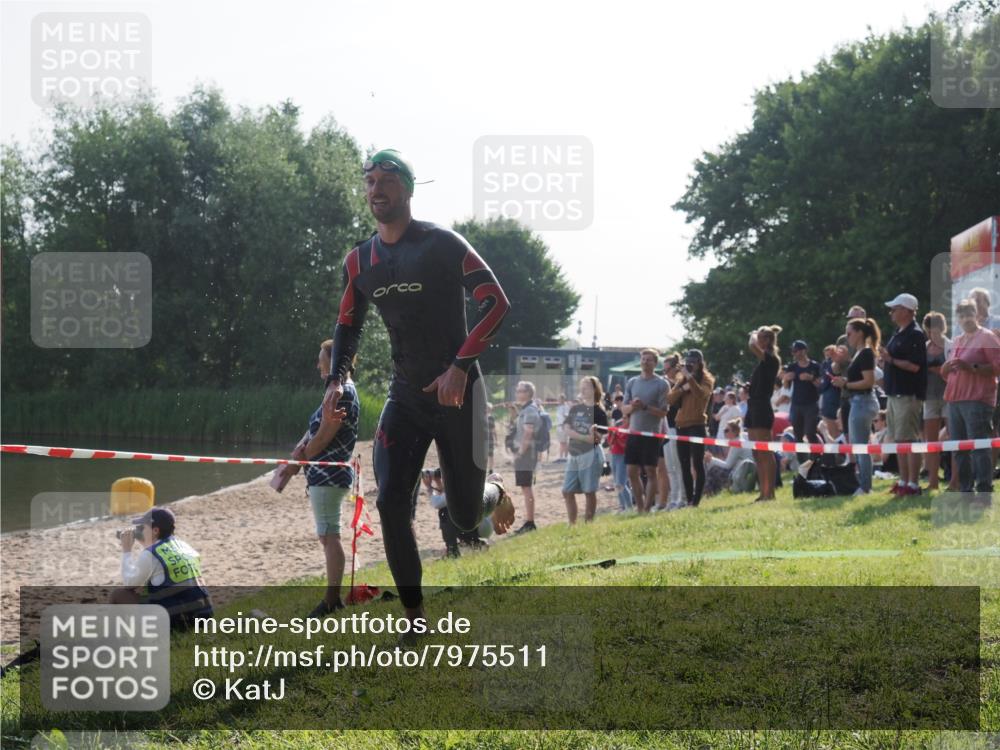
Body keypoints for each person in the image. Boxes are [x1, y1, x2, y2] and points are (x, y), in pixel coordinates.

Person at [324, 149, 510, 626]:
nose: (376, 189)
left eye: (386, 180)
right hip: (405, 396)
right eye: (369, 181)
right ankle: (414, 618)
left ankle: (494, 489)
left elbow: (495, 302)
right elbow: (347, 326)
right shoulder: (359, 260)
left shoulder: (441, 244)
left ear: (407, 189)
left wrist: (459, 366)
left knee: (465, 518)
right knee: (390, 502)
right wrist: (336, 380)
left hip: (459, 393)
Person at [300, 340, 359, 618]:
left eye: (321, 359)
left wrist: (305, 455)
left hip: (328, 475)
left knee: (329, 536)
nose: (317, 365)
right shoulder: (339, 389)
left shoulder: (342, 391)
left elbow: (325, 435)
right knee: (328, 534)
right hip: (328, 475)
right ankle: (333, 598)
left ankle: (332, 600)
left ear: (334, 361)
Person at [112, 507, 213, 629]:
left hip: (177, 623)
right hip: (203, 618)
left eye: (142, 528)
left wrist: (127, 550)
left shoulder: (151, 554)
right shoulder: (185, 546)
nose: (140, 531)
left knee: (119, 594)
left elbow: (129, 583)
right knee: (146, 588)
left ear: (155, 530)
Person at [941, 299, 1000, 501]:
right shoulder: (958, 340)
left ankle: (984, 493)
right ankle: (965, 491)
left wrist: (972, 367)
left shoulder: (987, 337)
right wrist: (945, 369)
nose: (966, 319)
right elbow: (951, 372)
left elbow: (997, 367)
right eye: (962, 315)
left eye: (969, 314)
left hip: (977, 400)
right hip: (954, 399)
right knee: (959, 449)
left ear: (977, 315)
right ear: (957, 319)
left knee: (979, 448)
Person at [880, 293, 928, 496]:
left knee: (908, 440)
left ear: (907, 311)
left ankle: (913, 484)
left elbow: (915, 366)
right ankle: (903, 481)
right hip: (895, 394)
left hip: (908, 394)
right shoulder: (898, 332)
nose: (891, 312)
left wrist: (890, 360)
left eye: (895, 309)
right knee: (899, 440)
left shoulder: (915, 334)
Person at [831, 318, 881, 496]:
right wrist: (844, 381)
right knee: (858, 446)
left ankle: (865, 487)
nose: (847, 337)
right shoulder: (860, 353)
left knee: (860, 447)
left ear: (860, 333)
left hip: (863, 402)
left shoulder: (866, 353)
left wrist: (845, 384)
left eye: (849, 333)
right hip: (859, 402)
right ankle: (864, 484)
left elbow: (869, 381)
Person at [623, 349, 671, 513]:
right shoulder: (632, 382)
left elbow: (663, 412)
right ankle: (640, 507)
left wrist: (645, 407)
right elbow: (624, 409)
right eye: (643, 359)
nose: (645, 362)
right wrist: (633, 406)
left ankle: (647, 508)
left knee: (651, 471)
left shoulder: (662, 384)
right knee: (631, 472)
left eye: (649, 360)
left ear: (655, 363)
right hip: (634, 433)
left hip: (652, 434)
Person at [667, 350, 715, 507]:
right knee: (684, 464)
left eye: (693, 362)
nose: (689, 365)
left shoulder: (707, 379)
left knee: (697, 464)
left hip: (697, 425)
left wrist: (690, 378)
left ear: (700, 364)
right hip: (681, 425)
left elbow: (701, 394)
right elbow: (670, 399)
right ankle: (689, 500)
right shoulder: (681, 379)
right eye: (687, 362)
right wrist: (683, 388)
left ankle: (696, 501)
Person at [562, 376, 609, 523]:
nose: (582, 389)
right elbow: (566, 429)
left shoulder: (599, 412)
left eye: (586, 387)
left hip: (590, 454)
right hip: (573, 453)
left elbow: (597, 439)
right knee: (567, 491)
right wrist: (584, 436)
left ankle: (588, 523)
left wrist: (588, 436)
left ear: (594, 390)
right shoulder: (576, 408)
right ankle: (572, 524)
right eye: (581, 386)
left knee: (589, 491)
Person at [746, 326, 783, 502]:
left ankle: (770, 493)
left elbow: (752, 345)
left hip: (762, 407)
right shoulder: (762, 361)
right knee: (756, 453)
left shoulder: (771, 358)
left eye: (761, 338)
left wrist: (753, 334)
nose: (757, 340)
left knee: (765, 452)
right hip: (753, 405)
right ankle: (763, 492)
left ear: (767, 340)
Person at [923, 312, 951, 491]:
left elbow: (954, 371)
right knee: (931, 443)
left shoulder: (951, 346)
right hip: (929, 398)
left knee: (954, 439)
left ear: (941, 328)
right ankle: (933, 482)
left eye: (933, 329)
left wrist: (938, 370)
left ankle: (955, 481)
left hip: (949, 396)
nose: (931, 333)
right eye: (928, 330)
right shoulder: (924, 348)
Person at [509, 381, 540, 535]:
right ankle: (529, 521)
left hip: (527, 454)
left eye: (519, 391)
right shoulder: (526, 409)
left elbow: (528, 433)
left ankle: (530, 522)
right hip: (526, 453)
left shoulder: (530, 410)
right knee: (525, 487)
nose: (517, 393)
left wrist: (520, 453)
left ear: (527, 393)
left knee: (526, 487)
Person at [783, 340, 822, 463]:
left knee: (810, 433)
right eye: (793, 351)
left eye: (796, 351)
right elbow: (786, 386)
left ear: (804, 351)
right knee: (798, 435)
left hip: (811, 404)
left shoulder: (815, 366)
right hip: (796, 404)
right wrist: (786, 379)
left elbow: (820, 385)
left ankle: (816, 460)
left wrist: (811, 378)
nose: (794, 354)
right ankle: (802, 463)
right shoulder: (792, 367)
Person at [704, 418, 756, 496]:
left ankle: (708, 494)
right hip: (742, 474)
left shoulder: (736, 444)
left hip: (738, 475)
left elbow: (727, 465)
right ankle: (712, 493)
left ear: (734, 432)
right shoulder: (740, 441)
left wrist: (711, 459)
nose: (724, 432)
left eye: (727, 430)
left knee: (713, 470)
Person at [608, 412, 633, 512]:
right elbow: (610, 443)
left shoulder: (631, 430)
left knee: (621, 483)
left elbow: (626, 447)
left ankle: (629, 508)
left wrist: (616, 438)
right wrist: (611, 434)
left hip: (623, 457)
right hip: (614, 455)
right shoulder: (620, 427)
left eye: (625, 418)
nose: (623, 420)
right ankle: (623, 507)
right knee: (616, 483)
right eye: (623, 418)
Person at [819, 345, 843, 440]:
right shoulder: (826, 365)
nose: (828, 359)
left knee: (834, 434)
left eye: (830, 356)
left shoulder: (830, 365)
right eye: (826, 356)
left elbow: (824, 385)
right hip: (832, 400)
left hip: (832, 401)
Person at [555, 394, 571, 462]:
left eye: (559, 399)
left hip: (563, 426)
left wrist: (564, 425)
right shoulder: (559, 407)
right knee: (561, 442)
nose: (558, 400)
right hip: (559, 426)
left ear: (563, 399)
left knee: (564, 442)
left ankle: (565, 457)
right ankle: (561, 457)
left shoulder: (566, 407)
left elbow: (567, 416)